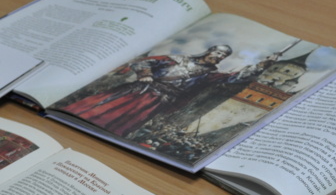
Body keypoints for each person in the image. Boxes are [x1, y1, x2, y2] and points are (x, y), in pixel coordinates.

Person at [61, 45, 234, 138]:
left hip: (158, 101)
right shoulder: (178, 59)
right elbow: (143, 62)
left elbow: (233, 79)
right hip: (139, 90)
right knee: (100, 109)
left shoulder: (211, 74)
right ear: (210, 51)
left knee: (124, 124)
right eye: (218, 52)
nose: (219, 57)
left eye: (223, 56)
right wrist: (145, 75)